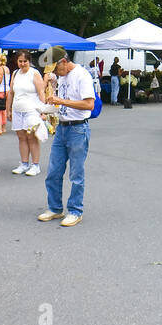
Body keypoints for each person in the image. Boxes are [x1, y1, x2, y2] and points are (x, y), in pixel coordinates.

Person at [38, 48, 95, 227]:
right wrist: (49, 109)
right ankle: (55, 208)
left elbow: (89, 104)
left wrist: (61, 102)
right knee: (54, 171)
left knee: (76, 173)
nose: (55, 73)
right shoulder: (62, 77)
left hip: (78, 128)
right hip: (62, 127)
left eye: (56, 68)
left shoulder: (82, 75)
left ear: (63, 61)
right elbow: (62, 102)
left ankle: (75, 210)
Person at [10, 53, 46, 175]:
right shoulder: (15, 73)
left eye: (25, 61)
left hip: (31, 110)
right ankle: (24, 163)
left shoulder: (34, 73)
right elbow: (11, 93)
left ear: (29, 61)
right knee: (21, 137)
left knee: (32, 137)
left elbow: (41, 92)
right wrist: (8, 109)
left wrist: (43, 111)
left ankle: (35, 165)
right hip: (17, 109)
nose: (22, 64)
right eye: (20, 61)